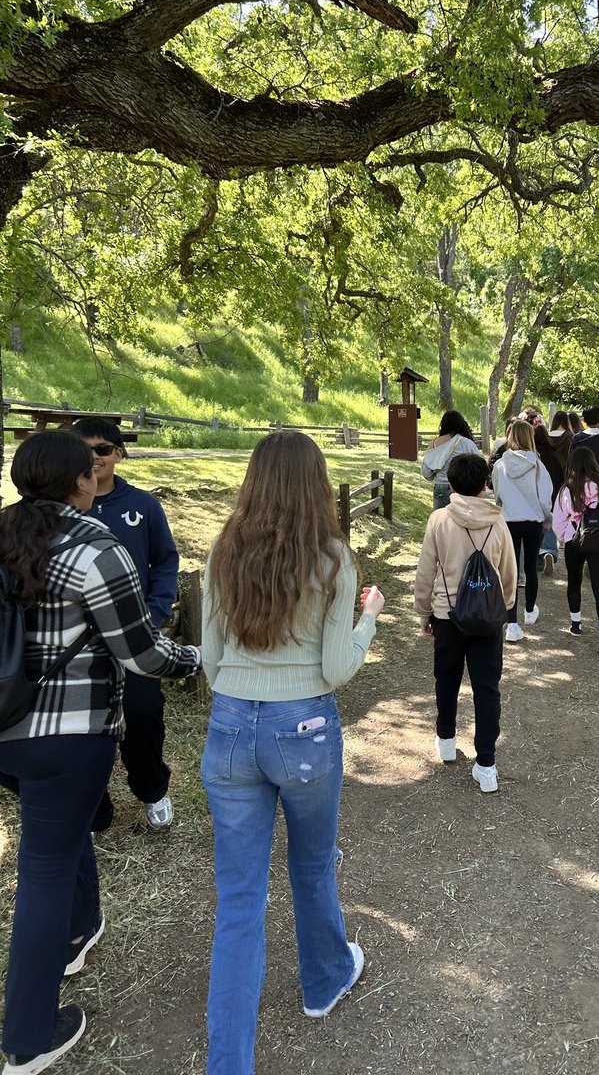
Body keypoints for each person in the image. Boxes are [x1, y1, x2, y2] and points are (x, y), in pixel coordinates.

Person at [0, 431, 200, 1075]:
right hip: (68, 736)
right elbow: (139, 652)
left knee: (61, 835)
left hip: (5, 731)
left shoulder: (4, 534)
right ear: (79, 482)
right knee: (44, 870)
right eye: (89, 468)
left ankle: (80, 929)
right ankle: (29, 1035)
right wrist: (193, 659)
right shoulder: (95, 547)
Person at [201, 432, 384, 1075]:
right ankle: (324, 978)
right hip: (303, 725)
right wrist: (369, 618)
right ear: (317, 483)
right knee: (312, 863)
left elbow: (210, 659)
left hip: (230, 722)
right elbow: (336, 668)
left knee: (239, 899)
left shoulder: (224, 551)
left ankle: (228, 1063)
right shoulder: (333, 560)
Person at [69, 416, 180, 831]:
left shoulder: (143, 506)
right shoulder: (61, 508)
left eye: (102, 449)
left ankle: (152, 789)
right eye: (84, 450)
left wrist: (154, 613)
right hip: (78, 642)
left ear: (118, 453)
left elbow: (165, 561)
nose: (93, 458)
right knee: (83, 725)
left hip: (134, 635)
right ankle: (94, 806)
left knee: (143, 711)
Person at [414, 453, 517, 793]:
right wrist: (505, 609)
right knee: (487, 688)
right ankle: (486, 764)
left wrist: (424, 611)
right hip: (487, 618)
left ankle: (446, 739)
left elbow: (426, 571)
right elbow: (509, 572)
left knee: (446, 679)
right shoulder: (498, 522)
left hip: (448, 616)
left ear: (452, 485)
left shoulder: (440, 520)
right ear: (485, 484)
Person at [553, 448, 599, 654]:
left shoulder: (567, 489)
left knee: (574, 582)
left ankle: (576, 624)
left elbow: (558, 520)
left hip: (574, 540)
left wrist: (565, 538)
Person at [491, 420, 553, 643]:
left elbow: (497, 495)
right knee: (530, 568)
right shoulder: (537, 465)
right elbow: (544, 498)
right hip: (533, 521)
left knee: (510, 572)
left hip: (509, 520)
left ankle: (512, 623)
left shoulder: (500, 465)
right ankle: (529, 610)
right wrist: (547, 519)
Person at [421, 411, 481, 510]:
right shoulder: (467, 443)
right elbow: (478, 467)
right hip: (463, 487)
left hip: (441, 488)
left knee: (441, 518)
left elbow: (426, 473)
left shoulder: (433, 444)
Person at [533, 422, 565, 576]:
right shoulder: (553, 455)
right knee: (550, 525)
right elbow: (560, 476)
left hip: (535, 496)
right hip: (553, 494)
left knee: (537, 527)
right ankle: (549, 551)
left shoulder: (533, 457)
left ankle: (538, 560)